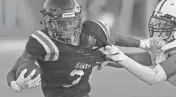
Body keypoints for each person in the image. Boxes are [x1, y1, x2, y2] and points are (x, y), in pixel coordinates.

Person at [6, 0, 146, 97]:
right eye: (62, 24)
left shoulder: (91, 36)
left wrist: (144, 44)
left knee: (128, 60)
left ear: (79, 19)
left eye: (72, 22)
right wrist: (16, 84)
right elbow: (14, 70)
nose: (68, 28)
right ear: (48, 22)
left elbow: (118, 42)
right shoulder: (43, 42)